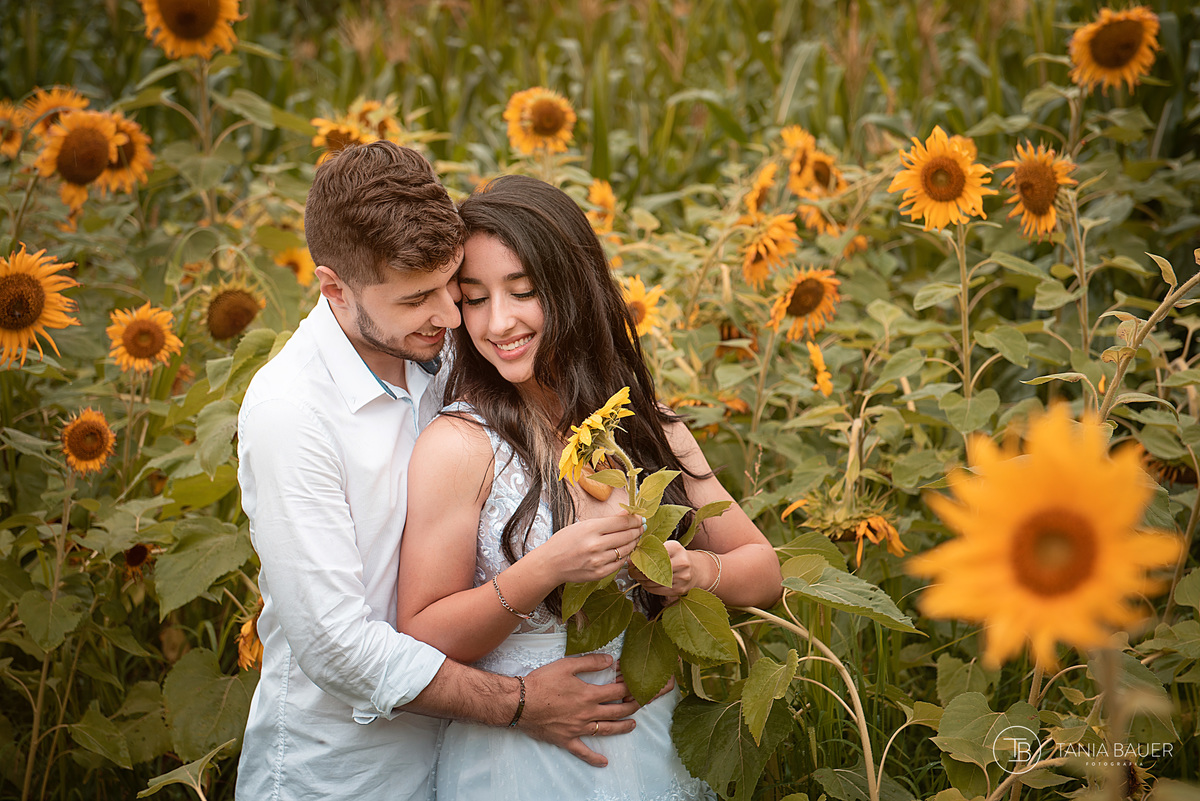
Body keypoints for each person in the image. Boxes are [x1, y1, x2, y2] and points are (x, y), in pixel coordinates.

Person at [235, 143, 643, 801]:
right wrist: (517, 701)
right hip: (345, 775)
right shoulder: (291, 411)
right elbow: (339, 648)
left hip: (469, 764)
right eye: (419, 298)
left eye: (451, 284)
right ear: (334, 288)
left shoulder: (451, 338)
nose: (452, 316)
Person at [397, 174, 784, 800]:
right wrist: (544, 568)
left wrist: (688, 572)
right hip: (519, 763)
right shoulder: (460, 446)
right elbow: (421, 635)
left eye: (523, 292)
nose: (498, 322)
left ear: (572, 289)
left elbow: (763, 570)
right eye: (473, 298)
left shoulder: (648, 431)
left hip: (648, 745)